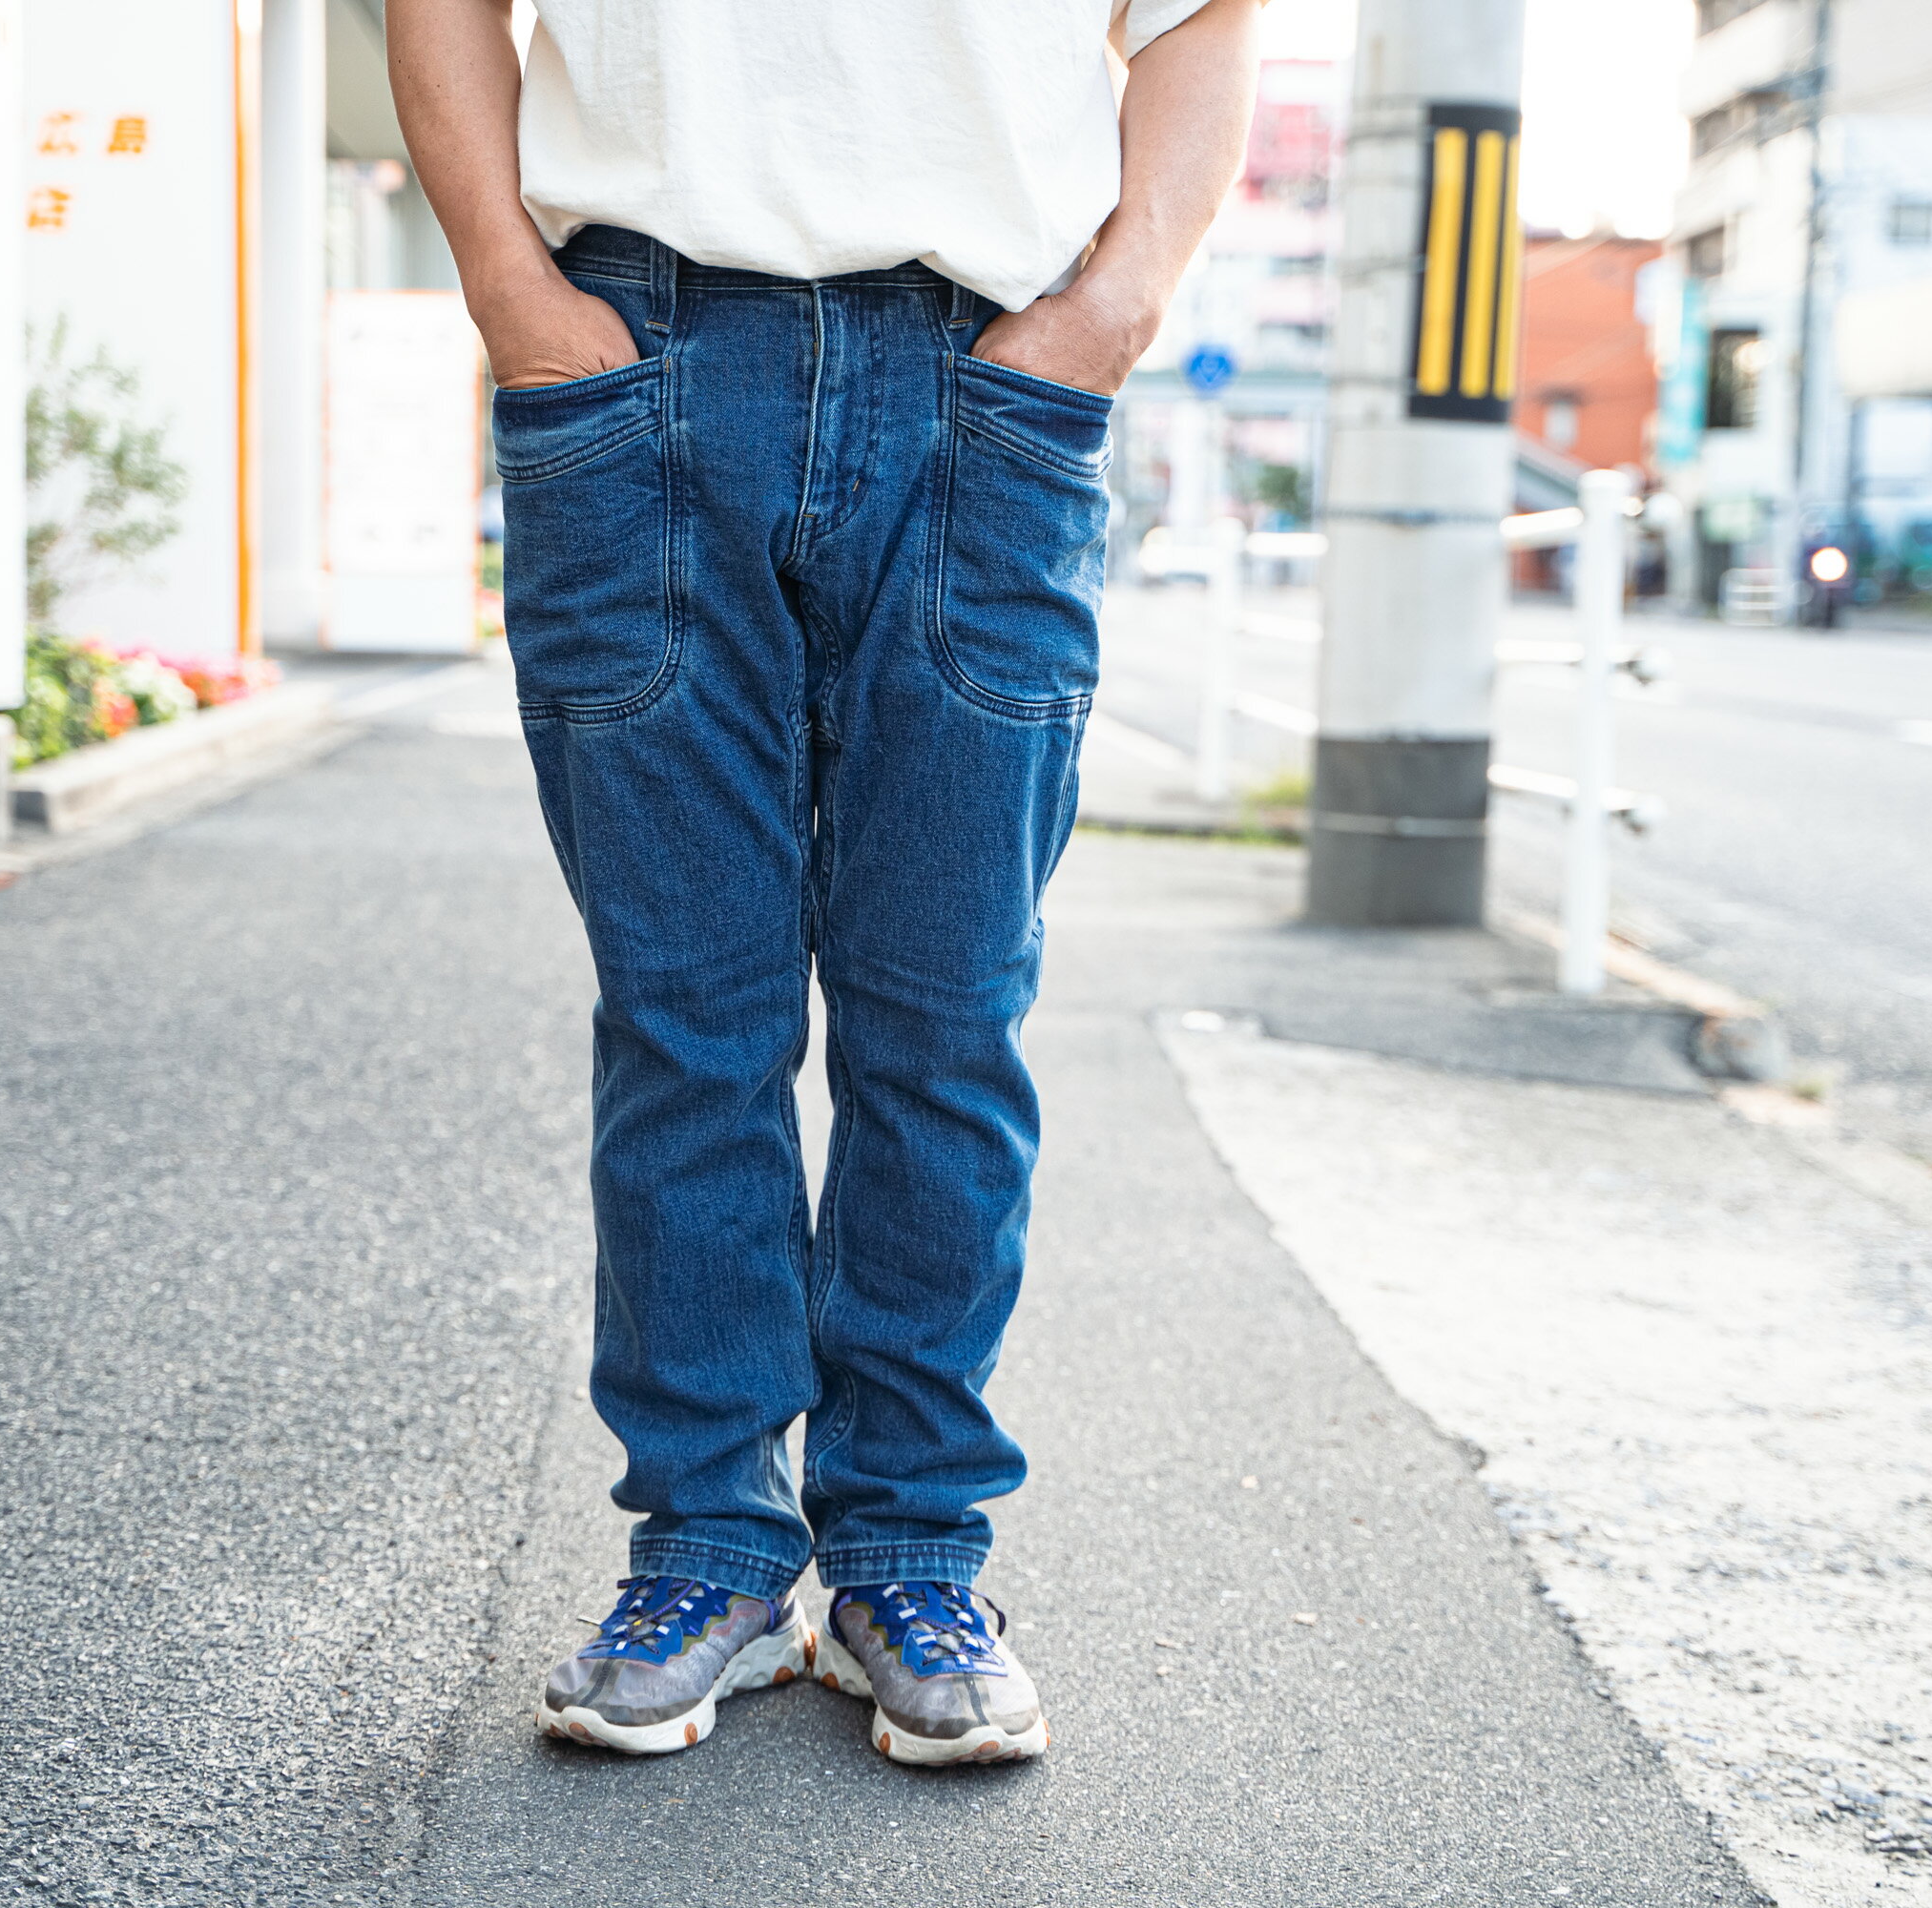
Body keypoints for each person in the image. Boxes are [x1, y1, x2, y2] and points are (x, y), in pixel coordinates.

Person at [385, 0, 1261, 1766]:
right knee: (688, 1020)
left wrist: (1112, 309)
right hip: (633, 354)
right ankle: (707, 1549)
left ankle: (910, 1554)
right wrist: (507, 286)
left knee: (943, 1021)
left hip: (985, 379)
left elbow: (1200, 19)